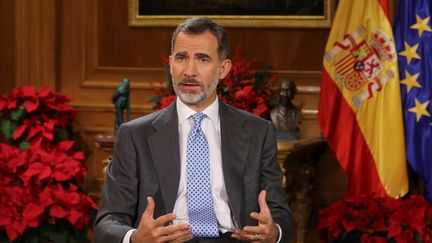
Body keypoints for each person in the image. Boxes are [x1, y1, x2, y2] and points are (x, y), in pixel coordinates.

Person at [94, 17, 293, 243]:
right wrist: (136, 238)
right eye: (181, 58)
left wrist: (274, 232)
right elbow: (107, 223)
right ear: (170, 64)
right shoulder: (134, 136)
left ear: (223, 69)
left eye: (202, 59)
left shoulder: (258, 132)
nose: (189, 71)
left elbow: (280, 215)